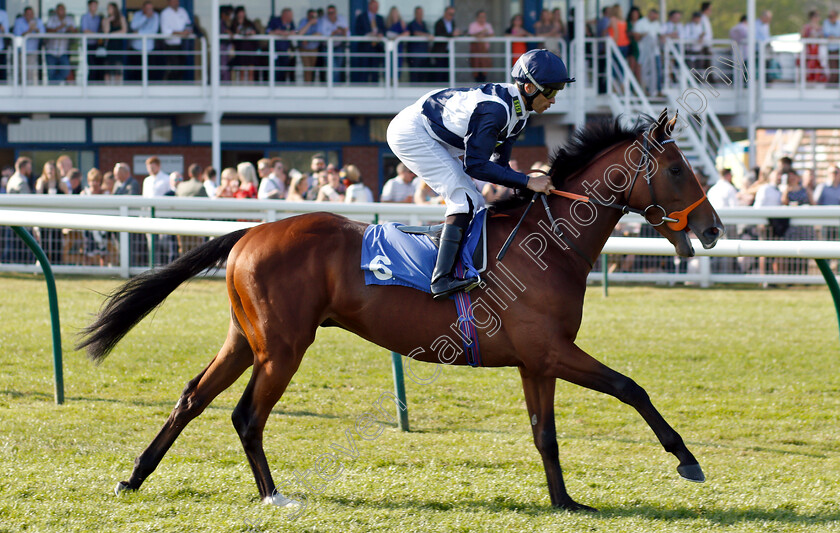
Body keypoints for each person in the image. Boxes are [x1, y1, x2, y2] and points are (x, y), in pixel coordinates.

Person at [386, 49, 572, 298]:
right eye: (550, 91)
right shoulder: (496, 110)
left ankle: (446, 245)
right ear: (529, 88)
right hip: (411, 132)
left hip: (435, 132)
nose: (553, 100)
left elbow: (499, 166)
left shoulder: (519, 114)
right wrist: (528, 181)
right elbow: (475, 166)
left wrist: (528, 187)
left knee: (474, 200)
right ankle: (441, 280)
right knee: (464, 199)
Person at [352, 0, 386, 83]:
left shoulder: (380, 18)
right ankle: (363, 88)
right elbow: (358, 30)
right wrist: (368, 34)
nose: (376, 8)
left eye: (377, 6)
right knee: (364, 70)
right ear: (369, 6)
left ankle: (376, 88)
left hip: (376, 48)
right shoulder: (361, 17)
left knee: (375, 71)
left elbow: (384, 30)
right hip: (365, 48)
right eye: (374, 6)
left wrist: (380, 34)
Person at [159, 0, 192, 82]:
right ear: (169, 2)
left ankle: (178, 82)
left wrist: (187, 31)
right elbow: (166, 31)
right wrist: (181, 33)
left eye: (177, 1)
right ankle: (171, 83)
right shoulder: (165, 13)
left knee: (182, 64)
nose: (176, 2)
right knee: (174, 65)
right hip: (171, 44)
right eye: (173, 1)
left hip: (183, 43)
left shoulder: (182, 11)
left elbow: (188, 24)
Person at [633, 8, 662, 95]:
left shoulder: (656, 24)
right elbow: (636, 37)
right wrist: (644, 35)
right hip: (644, 52)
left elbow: (659, 35)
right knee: (644, 72)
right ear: (650, 14)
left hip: (655, 52)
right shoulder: (641, 23)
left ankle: (657, 90)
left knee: (657, 71)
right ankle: (645, 89)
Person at [129, 1, 160, 83]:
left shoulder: (155, 16)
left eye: (151, 9)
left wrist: (139, 33)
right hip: (137, 48)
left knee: (150, 71)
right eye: (148, 9)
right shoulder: (137, 15)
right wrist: (145, 17)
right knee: (136, 72)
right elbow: (133, 26)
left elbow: (154, 31)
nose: (150, 11)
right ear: (143, 9)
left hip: (149, 48)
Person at [317, 5, 349, 83]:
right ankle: (334, 87)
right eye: (329, 13)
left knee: (338, 68)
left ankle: (335, 86)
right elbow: (322, 34)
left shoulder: (341, 19)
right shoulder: (323, 20)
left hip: (339, 46)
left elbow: (348, 34)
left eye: (333, 12)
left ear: (336, 12)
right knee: (333, 68)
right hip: (327, 47)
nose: (331, 14)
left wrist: (343, 31)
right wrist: (334, 32)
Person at [14, 7, 46, 86]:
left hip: (33, 51)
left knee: (30, 72)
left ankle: (28, 89)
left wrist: (36, 29)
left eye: (31, 14)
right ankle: (20, 89)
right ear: (24, 15)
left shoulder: (38, 21)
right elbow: (17, 35)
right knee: (21, 71)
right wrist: (29, 30)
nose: (29, 16)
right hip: (21, 51)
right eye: (27, 14)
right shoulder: (19, 21)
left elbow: (43, 34)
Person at [267, 8, 296, 83]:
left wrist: (288, 33)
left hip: (286, 50)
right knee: (275, 69)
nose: (291, 17)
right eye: (290, 15)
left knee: (284, 69)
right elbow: (268, 31)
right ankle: (274, 84)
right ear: (284, 15)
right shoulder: (274, 21)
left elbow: (295, 31)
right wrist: (279, 32)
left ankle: (282, 84)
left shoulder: (291, 23)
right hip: (275, 49)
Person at [432, 6, 460, 83]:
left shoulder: (452, 23)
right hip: (440, 52)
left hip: (449, 51)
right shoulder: (439, 23)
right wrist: (452, 34)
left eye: (453, 14)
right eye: (450, 14)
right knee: (439, 73)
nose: (451, 16)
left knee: (447, 73)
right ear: (445, 13)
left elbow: (452, 34)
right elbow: (440, 34)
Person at [231, 6, 259, 83]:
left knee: (251, 68)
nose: (241, 14)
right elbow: (232, 33)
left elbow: (255, 31)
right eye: (240, 12)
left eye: (242, 12)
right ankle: (241, 84)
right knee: (241, 68)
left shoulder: (249, 23)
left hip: (249, 48)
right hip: (240, 48)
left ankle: (251, 84)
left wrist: (250, 33)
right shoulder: (234, 23)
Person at [102, 2, 127, 84]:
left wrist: (112, 34)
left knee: (117, 68)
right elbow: (106, 33)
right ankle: (107, 86)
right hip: (109, 46)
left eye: (110, 8)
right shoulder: (106, 19)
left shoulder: (121, 18)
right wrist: (108, 21)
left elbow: (124, 31)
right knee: (107, 68)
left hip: (118, 46)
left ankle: (118, 87)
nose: (108, 10)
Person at [405, 7, 431, 83]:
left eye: (421, 13)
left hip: (424, 55)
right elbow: (415, 33)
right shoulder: (411, 24)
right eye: (418, 13)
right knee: (414, 76)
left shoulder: (424, 24)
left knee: (423, 76)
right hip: (414, 56)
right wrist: (426, 35)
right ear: (415, 14)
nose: (420, 15)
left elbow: (428, 34)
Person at [468, 10, 494, 83]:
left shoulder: (488, 25)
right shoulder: (473, 25)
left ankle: (483, 85)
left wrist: (482, 35)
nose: (482, 19)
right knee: (475, 68)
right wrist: (482, 33)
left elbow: (491, 34)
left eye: (484, 17)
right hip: (475, 51)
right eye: (480, 17)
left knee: (484, 68)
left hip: (484, 50)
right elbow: (471, 35)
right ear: (477, 17)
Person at [81, 0, 103, 82]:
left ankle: (97, 83)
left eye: (95, 5)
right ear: (89, 6)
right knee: (92, 65)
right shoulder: (85, 17)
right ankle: (90, 83)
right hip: (89, 44)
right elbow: (85, 30)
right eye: (93, 5)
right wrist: (97, 34)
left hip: (97, 45)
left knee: (98, 65)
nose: (94, 7)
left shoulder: (98, 18)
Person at [824, 11, 840, 86]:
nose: (830, 18)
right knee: (833, 67)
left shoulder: (838, 24)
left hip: (838, 48)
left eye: (832, 16)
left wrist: (834, 37)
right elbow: (827, 34)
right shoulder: (826, 23)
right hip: (831, 49)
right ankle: (831, 84)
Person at [0, 7, 8, 83]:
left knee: (2, 70)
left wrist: (2, 29)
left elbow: (7, 32)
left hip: (1, 47)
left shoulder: (3, 14)